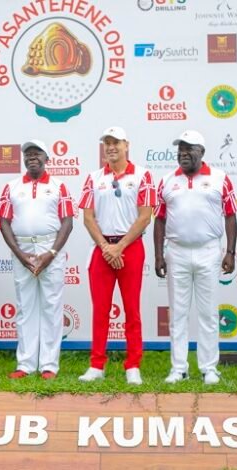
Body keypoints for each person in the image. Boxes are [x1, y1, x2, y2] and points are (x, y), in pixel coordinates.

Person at [154, 130, 237, 385]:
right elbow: (159, 220)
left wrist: (231, 252)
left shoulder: (220, 178)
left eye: (189, 148)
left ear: (202, 151)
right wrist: (159, 255)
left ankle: (209, 368)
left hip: (209, 250)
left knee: (208, 312)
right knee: (177, 313)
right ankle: (178, 368)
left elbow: (231, 215)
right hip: (176, 252)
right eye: (180, 149)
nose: (183, 153)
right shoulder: (168, 180)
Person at [78, 126, 155, 384]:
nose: (111, 147)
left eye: (116, 143)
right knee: (100, 309)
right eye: (107, 143)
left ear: (127, 145)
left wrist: (119, 247)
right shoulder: (93, 177)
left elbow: (145, 216)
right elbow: (88, 218)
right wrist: (105, 247)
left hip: (130, 248)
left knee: (131, 309)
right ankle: (96, 365)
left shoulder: (143, 175)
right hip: (102, 249)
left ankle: (133, 365)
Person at [0, 140, 73, 379]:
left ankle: (49, 365)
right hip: (23, 249)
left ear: (46, 158)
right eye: (28, 154)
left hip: (49, 247)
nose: (32, 157)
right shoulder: (11, 186)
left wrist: (50, 253)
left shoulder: (59, 185)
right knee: (25, 306)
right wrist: (20, 255)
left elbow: (68, 222)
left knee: (51, 306)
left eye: (37, 153)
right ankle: (26, 364)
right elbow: (4, 222)